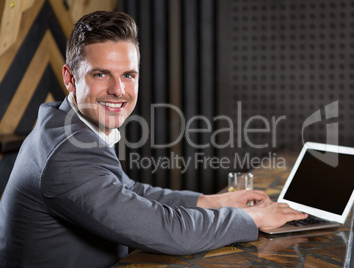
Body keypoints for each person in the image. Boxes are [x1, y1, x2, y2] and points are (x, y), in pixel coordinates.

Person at [0, 11, 307, 267]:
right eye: (101, 74)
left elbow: (128, 191)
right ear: (70, 78)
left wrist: (213, 201)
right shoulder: (67, 155)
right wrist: (250, 218)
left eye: (128, 75)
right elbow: (169, 231)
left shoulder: (66, 124)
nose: (118, 90)